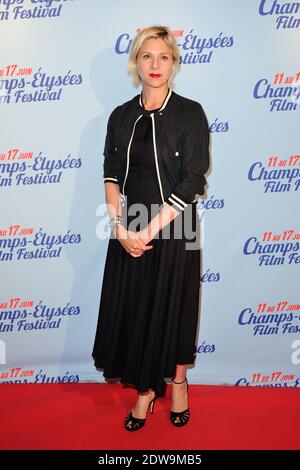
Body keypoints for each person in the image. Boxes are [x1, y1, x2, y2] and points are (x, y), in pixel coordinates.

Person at [92, 25, 210, 431]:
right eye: (147, 56)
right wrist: (120, 227)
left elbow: (193, 180)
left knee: (175, 310)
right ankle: (144, 392)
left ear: (174, 63)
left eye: (163, 57)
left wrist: (148, 231)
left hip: (176, 227)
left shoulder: (190, 112)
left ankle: (178, 384)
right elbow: (110, 174)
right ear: (135, 63)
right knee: (138, 312)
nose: (155, 65)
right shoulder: (120, 116)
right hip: (129, 229)